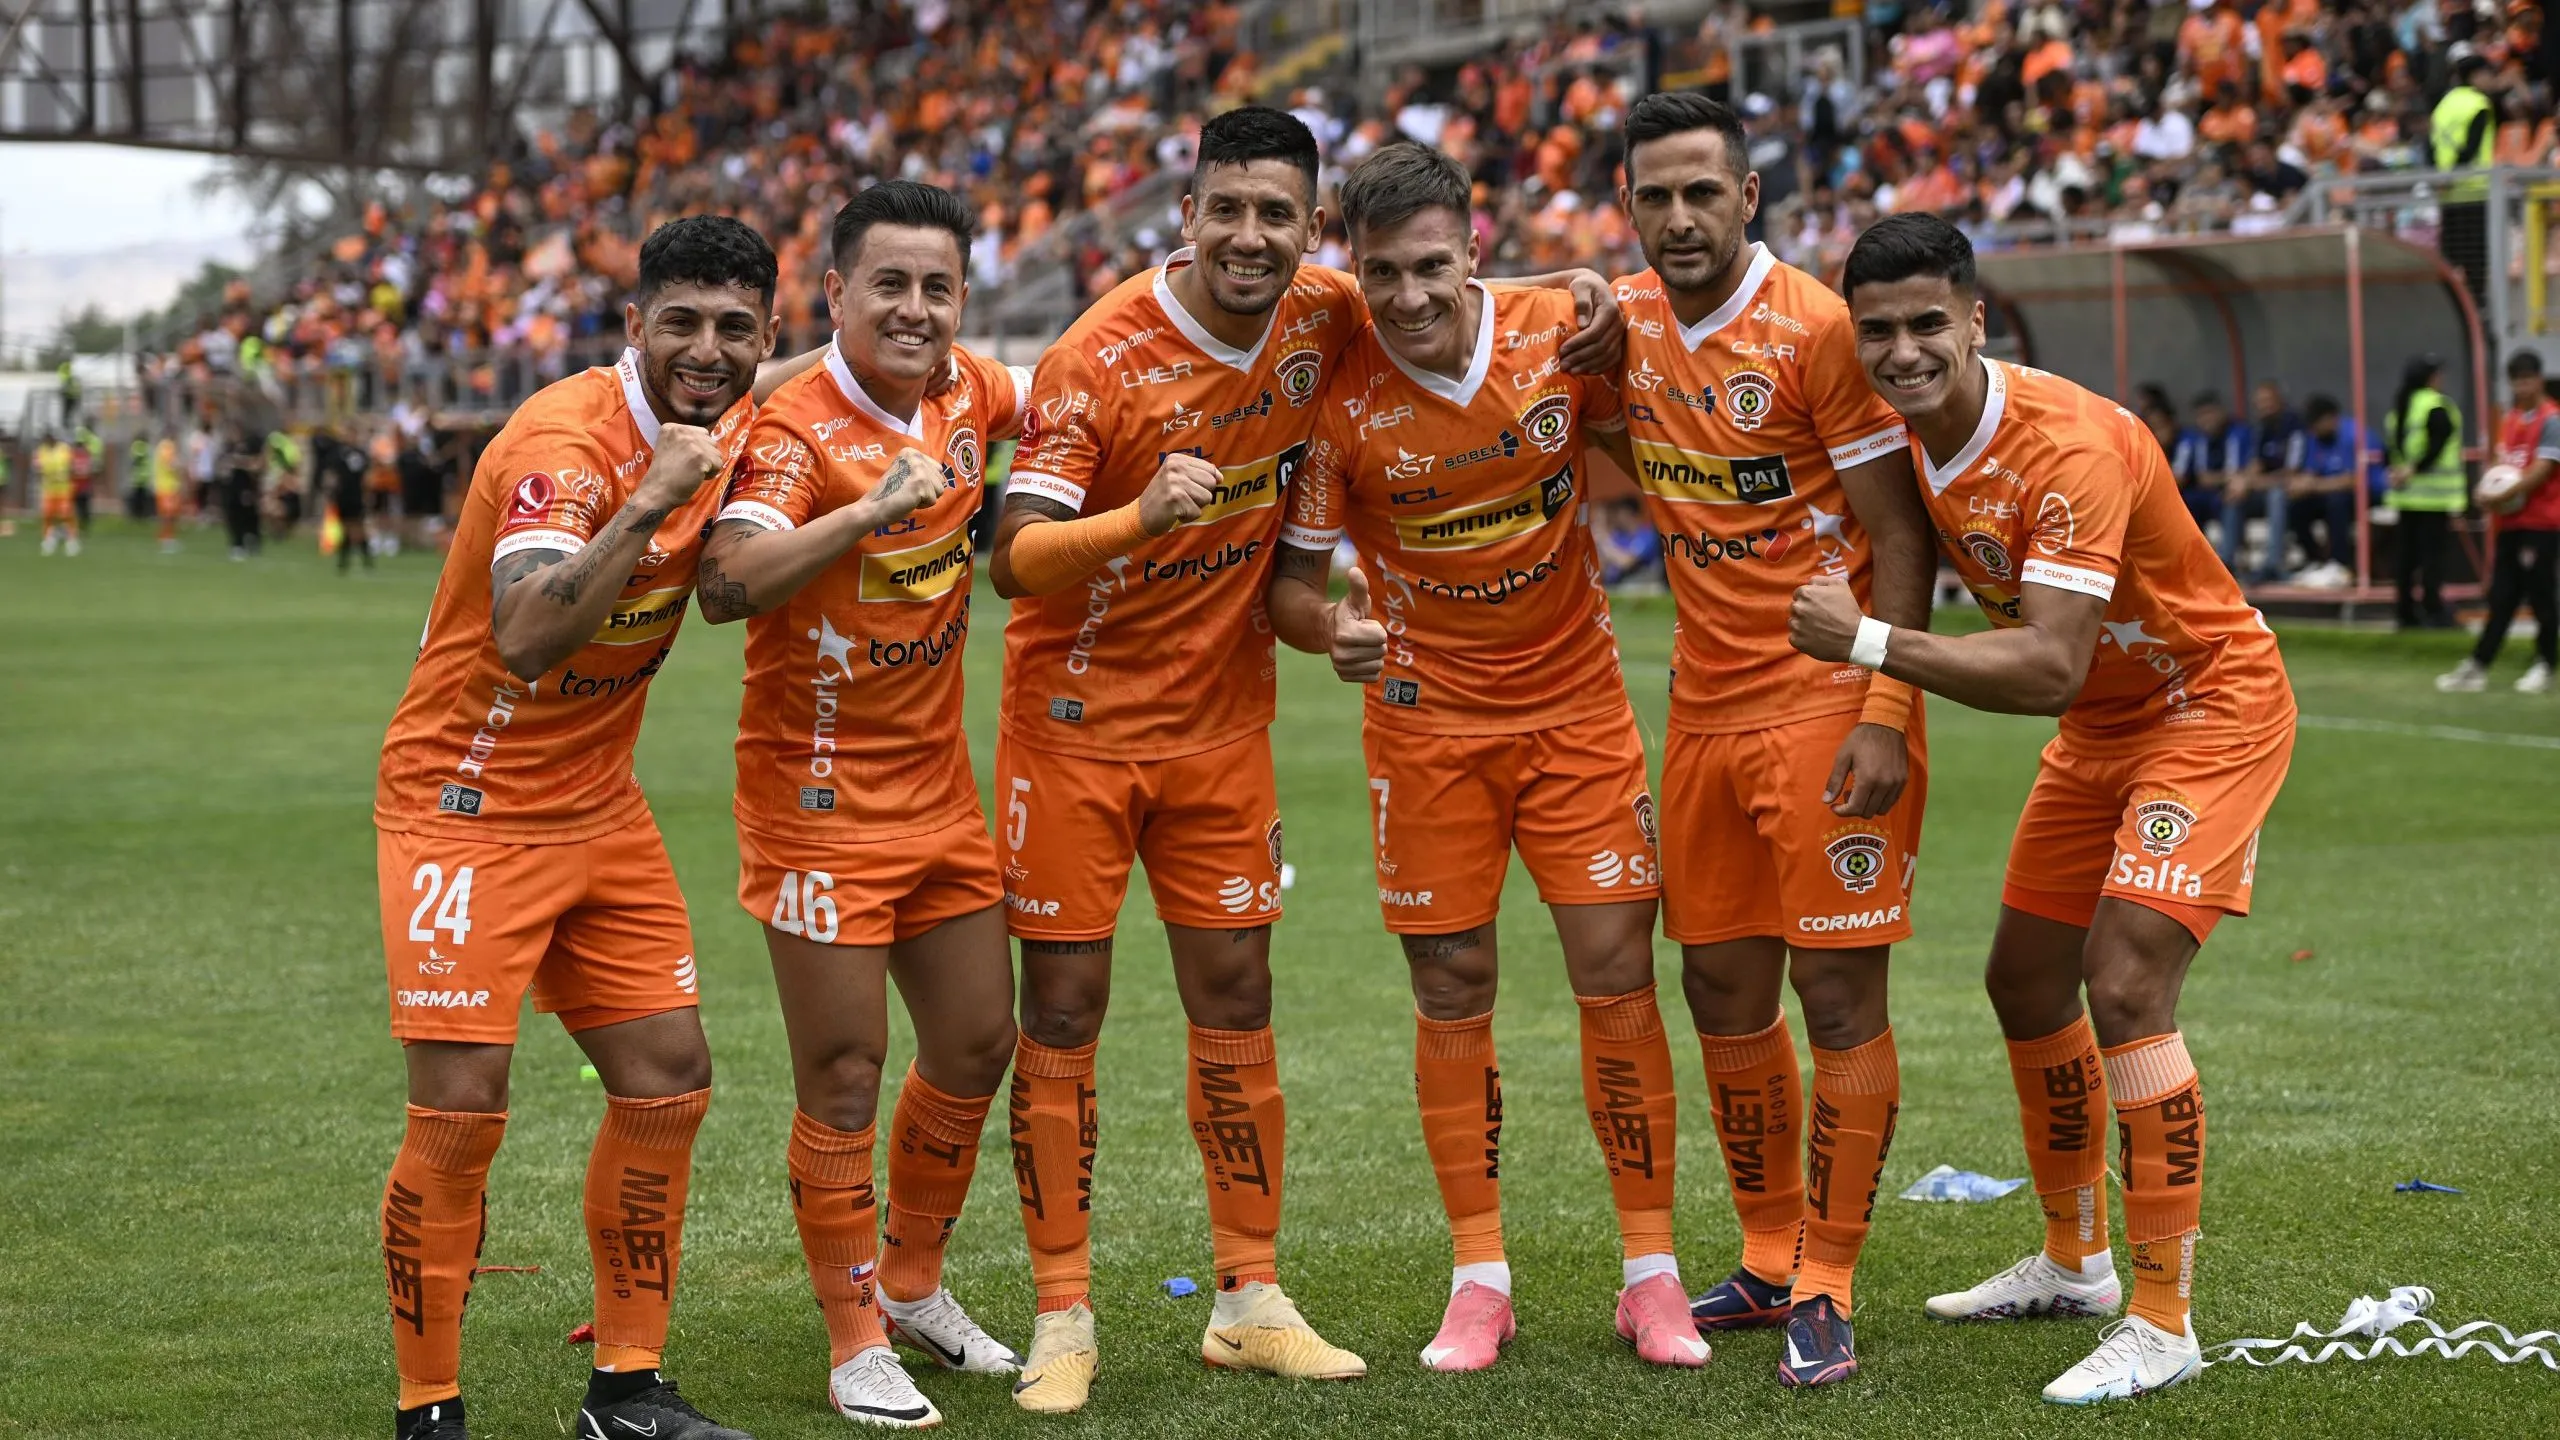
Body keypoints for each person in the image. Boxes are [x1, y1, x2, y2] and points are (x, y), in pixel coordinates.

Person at [984, 104, 1619, 1415]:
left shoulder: (1331, 307)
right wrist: (1136, 516)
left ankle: (1247, 1297)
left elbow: (1486, 283)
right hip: (1077, 733)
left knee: (1237, 998)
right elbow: (1014, 558)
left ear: (1309, 228)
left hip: (1223, 728)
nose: (1252, 236)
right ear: (1189, 214)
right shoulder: (1095, 359)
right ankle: (1060, 1314)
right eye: (1230, 209)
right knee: (1061, 1012)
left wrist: (1591, 287)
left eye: (1279, 214)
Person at [1802, 213, 2295, 1405]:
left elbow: (2048, 669)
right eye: (1878, 330)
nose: (1903, 351)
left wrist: (1864, 639)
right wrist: (1881, 706)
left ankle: (2162, 1316)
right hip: (2104, 732)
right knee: (2024, 979)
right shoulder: (1905, 426)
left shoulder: (2066, 444)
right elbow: (1911, 548)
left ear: (1977, 320)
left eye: (1929, 325)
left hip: (2205, 707)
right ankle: (2072, 1263)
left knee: (2123, 983)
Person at [1264, 141, 1697, 1377]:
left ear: (1476, 249)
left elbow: (1643, 405)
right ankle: (1480, 1280)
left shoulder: (1560, 330)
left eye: (1433, 267)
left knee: (1616, 972)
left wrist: (1596, 290)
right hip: (1426, 725)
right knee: (1451, 988)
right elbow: (1293, 592)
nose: (1409, 296)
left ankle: (1651, 1276)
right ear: (1355, 269)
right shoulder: (1336, 399)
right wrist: (1329, 631)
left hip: (1576, 711)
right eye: (1384, 272)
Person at [369, 214, 780, 1440]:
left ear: (765, 334)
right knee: (461, 1109)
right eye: (682, 324)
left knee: (668, 1082)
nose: (707, 350)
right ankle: (427, 1409)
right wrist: (649, 505)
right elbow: (532, 640)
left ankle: (628, 1394)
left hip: (598, 804)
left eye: (735, 329)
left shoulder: (740, 409)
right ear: (632, 326)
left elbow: (844, 366)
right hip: (465, 803)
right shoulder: (563, 443)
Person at [1588, 92, 1937, 1388]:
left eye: (1702, 193)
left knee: (1838, 995)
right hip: (1699, 713)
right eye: (1655, 196)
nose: (1679, 218)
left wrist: (1888, 708)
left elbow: (1901, 534)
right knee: (1721, 990)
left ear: (1749, 197)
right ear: (1631, 206)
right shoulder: (1616, 321)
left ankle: (1832, 1287)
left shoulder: (1818, 331)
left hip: (1824, 709)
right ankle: (1770, 1248)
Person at [694, 181, 1031, 1428]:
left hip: (938, 795)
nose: (913, 307)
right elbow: (726, 584)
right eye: (886, 284)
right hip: (816, 800)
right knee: (843, 1072)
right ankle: (852, 1344)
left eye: (936, 287)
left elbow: (1088, 374)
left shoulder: (970, 395)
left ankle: (912, 1285)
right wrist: (866, 512)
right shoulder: (789, 428)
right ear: (835, 294)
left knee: (976, 1043)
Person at [2439, 349, 2560, 693]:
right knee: (2503, 596)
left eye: (2526, 379)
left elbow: (2542, 470)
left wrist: (2500, 496)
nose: (2521, 387)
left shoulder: (2551, 420)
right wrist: (2484, 490)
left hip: (2541, 524)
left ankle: (2545, 664)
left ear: (2538, 379)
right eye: (2516, 381)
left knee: (2541, 595)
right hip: (2510, 523)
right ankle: (2478, 665)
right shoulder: (2510, 419)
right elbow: (2500, 463)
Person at [2385, 354, 2465, 629]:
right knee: (2433, 558)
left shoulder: (2399, 408)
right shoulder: (2436, 405)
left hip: (2406, 496)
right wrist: (2415, 468)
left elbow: (2390, 450)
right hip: (2433, 498)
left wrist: (2400, 471)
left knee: (2406, 558)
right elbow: (2439, 443)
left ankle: (2405, 612)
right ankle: (2434, 610)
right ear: (2431, 378)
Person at [2434, 53, 2496, 311]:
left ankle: (2453, 308)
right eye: (2487, 74)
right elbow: (2470, 150)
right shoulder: (2478, 104)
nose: (2491, 79)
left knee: (2451, 254)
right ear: (2475, 75)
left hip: (2447, 193)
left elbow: (2432, 147)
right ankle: (2477, 309)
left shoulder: (2443, 106)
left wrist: (2444, 179)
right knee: (2476, 258)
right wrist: (2456, 175)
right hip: (2473, 191)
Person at [2286, 395, 2368, 586]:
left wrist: (2314, 485)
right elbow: (2311, 471)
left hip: (2366, 493)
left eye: (2316, 424)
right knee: (2297, 506)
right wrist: (2300, 484)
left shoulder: (2352, 434)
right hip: (2330, 492)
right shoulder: (2317, 438)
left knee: (2336, 502)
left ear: (2331, 419)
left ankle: (2340, 565)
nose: (2313, 431)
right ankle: (2316, 560)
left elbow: (2353, 480)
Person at [2226, 381, 2300, 583]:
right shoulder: (2261, 430)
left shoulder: (2294, 427)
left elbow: (2291, 473)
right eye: (2259, 402)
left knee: (2276, 495)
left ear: (2279, 400)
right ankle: (2226, 564)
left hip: (2296, 493)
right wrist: (2243, 482)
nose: (2263, 406)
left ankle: (2272, 565)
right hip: (2265, 489)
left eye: (2267, 401)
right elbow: (2255, 464)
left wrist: (2254, 483)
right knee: (2234, 496)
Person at [320, 426, 376, 572]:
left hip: (356, 495)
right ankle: (344, 561)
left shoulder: (361, 454)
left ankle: (366, 559)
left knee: (358, 527)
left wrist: (367, 494)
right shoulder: (337, 454)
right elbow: (332, 475)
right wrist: (329, 492)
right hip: (342, 495)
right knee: (345, 527)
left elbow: (366, 477)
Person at [36, 432, 78, 556]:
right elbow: (39, 468)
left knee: (66, 514)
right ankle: (48, 539)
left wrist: (68, 476)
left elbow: (71, 467)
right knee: (48, 515)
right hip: (49, 489)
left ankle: (71, 540)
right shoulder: (41, 451)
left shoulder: (64, 449)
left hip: (63, 488)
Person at [151, 432, 185, 552]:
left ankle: (167, 536)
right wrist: (180, 465)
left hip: (169, 486)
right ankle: (166, 538)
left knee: (170, 514)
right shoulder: (166, 447)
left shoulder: (166, 447)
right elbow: (170, 465)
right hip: (166, 487)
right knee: (167, 514)